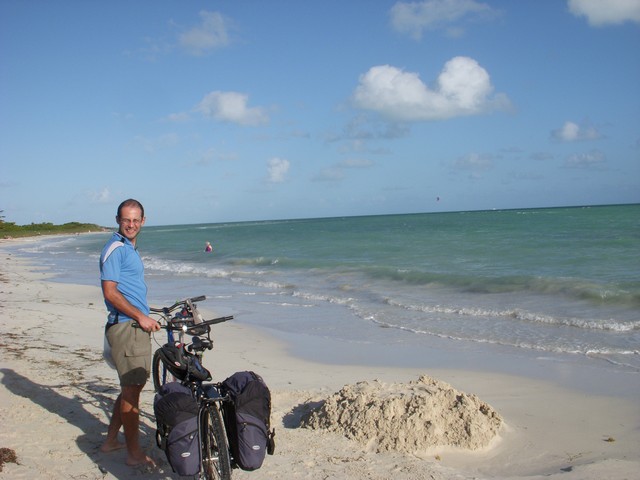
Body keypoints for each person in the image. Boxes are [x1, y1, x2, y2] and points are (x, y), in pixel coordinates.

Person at [99, 198, 160, 467]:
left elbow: (127, 287)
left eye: (136, 220)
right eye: (126, 220)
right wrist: (140, 316)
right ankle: (134, 455)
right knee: (133, 389)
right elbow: (110, 291)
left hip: (131, 322)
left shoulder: (128, 248)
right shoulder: (116, 248)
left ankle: (111, 440)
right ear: (118, 220)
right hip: (127, 325)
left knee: (129, 387)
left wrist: (145, 312)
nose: (131, 224)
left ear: (143, 221)